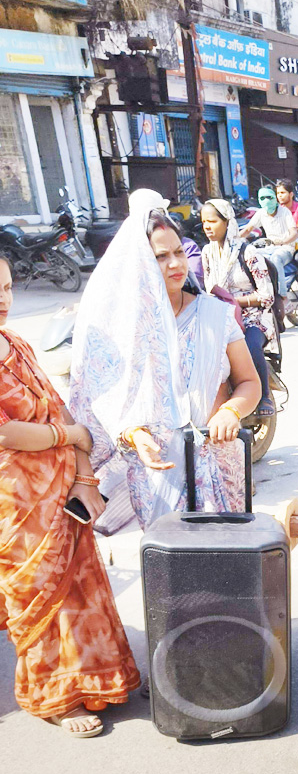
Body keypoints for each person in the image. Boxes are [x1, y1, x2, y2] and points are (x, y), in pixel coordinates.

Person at [0, 256, 140, 736]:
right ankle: (55, 697)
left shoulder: (15, 344)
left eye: (7, 287)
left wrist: (84, 476)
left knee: (81, 586)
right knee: (39, 596)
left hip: (62, 490)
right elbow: (8, 433)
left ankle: (98, 682)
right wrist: (70, 438)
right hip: (16, 503)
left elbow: (60, 409)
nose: (3, 299)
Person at [69, 193, 262, 529]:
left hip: (218, 464)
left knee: (226, 567)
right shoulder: (124, 332)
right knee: (171, 570)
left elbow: (249, 382)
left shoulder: (213, 314)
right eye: (160, 256)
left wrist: (231, 411)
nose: (175, 263)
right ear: (139, 264)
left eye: (178, 252)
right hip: (156, 475)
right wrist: (131, 435)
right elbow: (101, 405)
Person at [201, 199, 276, 419]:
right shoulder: (207, 253)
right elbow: (208, 288)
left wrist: (234, 301)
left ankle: (263, 396)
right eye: (204, 221)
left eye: (212, 221)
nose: (207, 226)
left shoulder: (248, 252)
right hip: (222, 319)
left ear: (227, 222)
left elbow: (267, 295)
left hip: (254, 319)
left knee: (250, 346)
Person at [240, 187, 298, 294]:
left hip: (286, 248)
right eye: (263, 198)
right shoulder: (261, 213)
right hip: (269, 248)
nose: (266, 201)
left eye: (269, 197)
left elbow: (294, 234)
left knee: (276, 259)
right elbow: (248, 229)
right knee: (251, 257)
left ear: (275, 198)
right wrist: (233, 239)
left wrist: (282, 241)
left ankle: (282, 295)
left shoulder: (285, 212)